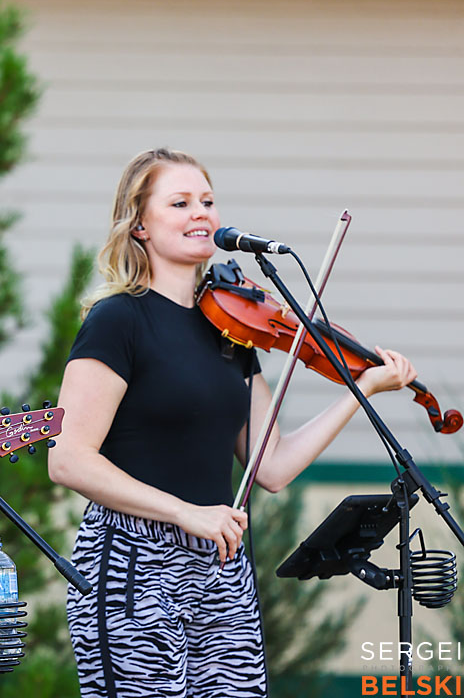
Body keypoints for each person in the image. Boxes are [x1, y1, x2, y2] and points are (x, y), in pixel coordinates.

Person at [48, 148, 416, 698]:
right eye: (180, 202)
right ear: (140, 224)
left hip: (219, 564)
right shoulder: (118, 319)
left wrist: (360, 390)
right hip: (132, 564)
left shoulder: (232, 330)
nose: (201, 213)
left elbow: (272, 466)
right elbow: (68, 458)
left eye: (208, 201)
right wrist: (185, 512)